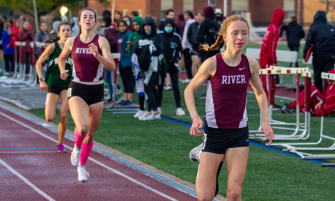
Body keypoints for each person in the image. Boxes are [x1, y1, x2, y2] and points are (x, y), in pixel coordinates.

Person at [184, 15, 274, 200]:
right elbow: (189, 90)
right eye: (235, 33)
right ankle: (203, 151)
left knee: (234, 194)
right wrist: (194, 117)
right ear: (225, 37)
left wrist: (266, 121)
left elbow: (260, 92)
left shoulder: (250, 64)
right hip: (214, 134)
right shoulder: (212, 64)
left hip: (238, 133)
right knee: (205, 197)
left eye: (244, 33)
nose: (240, 37)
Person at [58, 8, 116, 182]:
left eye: (92, 16)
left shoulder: (102, 41)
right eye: (85, 17)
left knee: (90, 134)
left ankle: (82, 168)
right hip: (77, 88)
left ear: (96, 21)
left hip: (96, 90)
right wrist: (62, 70)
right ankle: (76, 147)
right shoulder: (71, 41)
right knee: (82, 127)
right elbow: (61, 58)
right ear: (79, 21)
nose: (88, 19)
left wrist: (97, 54)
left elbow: (112, 67)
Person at [35, 22, 73, 153]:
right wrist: (41, 80)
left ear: (72, 33)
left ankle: (60, 143)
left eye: (68, 30)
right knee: (49, 118)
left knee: (63, 114)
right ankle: (48, 105)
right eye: (63, 30)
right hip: (53, 83)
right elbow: (39, 62)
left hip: (68, 85)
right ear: (59, 33)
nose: (66, 32)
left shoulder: (74, 47)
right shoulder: (53, 46)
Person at [133, 17, 162, 120]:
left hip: (153, 67)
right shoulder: (142, 36)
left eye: (148, 26)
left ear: (152, 27)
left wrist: (147, 50)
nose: (146, 28)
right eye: (145, 26)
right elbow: (136, 49)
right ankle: (155, 112)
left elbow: (159, 51)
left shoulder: (157, 37)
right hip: (144, 66)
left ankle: (149, 112)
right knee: (149, 89)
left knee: (149, 89)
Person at [158, 18, 186, 116]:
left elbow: (179, 50)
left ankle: (179, 108)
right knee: (160, 86)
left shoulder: (176, 36)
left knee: (175, 86)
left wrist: (174, 58)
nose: (168, 28)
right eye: (167, 26)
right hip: (161, 64)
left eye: (170, 26)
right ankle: (158, 108)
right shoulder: (159, 35)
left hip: (172, 64)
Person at [259, 8, 285, 110]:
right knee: (268, 82)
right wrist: (274, 62)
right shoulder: (275, 29)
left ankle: (270, 102)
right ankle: (269, 103)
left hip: (265, 58)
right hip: (267, 60)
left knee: (271, 81)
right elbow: (272, 47)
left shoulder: (271, 27)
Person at [303, 11, 335, 93]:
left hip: (318, 56)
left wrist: (305, 55)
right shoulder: (332, 28)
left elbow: (308, 43)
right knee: (328, 77)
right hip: (329, 56)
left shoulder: (313, 28)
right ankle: (328, 96)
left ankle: (319, 96)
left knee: (318, 77)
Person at [196, 6, 221, 99]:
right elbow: (221, 38)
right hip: (216, 52)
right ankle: (216, 92)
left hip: (205, 52)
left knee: (206, 73)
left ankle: (209, 92)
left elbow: (199, 38)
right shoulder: (216, 24)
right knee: (216, 73)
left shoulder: (204, 24)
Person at [127, 16, 145, 117]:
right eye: (133, 25)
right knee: (139, 88)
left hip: (146, 65)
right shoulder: (132, 35)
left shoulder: (145, 35)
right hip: (136, 67)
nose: (135, 27)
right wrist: (130, 47)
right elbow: (130, 52)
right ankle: (141, 108)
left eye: (137, 24)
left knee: (149, 88)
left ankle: (152, 109)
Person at [116, 20, 134, 106]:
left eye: (123, 26)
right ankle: (125, 98)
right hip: (121, 60)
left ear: (126, 27)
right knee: (124, 81)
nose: (121, 27)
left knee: (129, 80)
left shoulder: (128, 35)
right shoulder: (119, 35)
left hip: (127, 60)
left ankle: (129, 99)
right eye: (120, 26)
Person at [103, 15, 119, 106]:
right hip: (108, 56)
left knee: (111, 78)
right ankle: (111, 95)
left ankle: (113, 97)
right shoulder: (108, 31)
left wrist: (106, 48)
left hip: (111, 56)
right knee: (108, 78)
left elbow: (113, 42)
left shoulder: (109, 31)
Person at [187, 11, 204, 77]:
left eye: (200, 16)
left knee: (201, 63)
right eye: (197, 16)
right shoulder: (192, 25)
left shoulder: (204, 25)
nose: (199, 17)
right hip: (194, 46)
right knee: (194, 63)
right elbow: (188, 35)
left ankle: (201, 78)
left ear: (202, 17)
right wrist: (192, 42)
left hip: (202, 47)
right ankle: (194, 77)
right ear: (194, 17)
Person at [182, 11, 195, 82]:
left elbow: (185, 35)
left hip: (188, 46)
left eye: (186, 15)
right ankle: (191, 76)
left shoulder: (189, 23)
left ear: (190, 16)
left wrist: (184, 45)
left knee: (188, 62)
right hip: (191, 45)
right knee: (192, 62)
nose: (185, 16)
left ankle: (189, 77)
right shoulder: (193, 22)